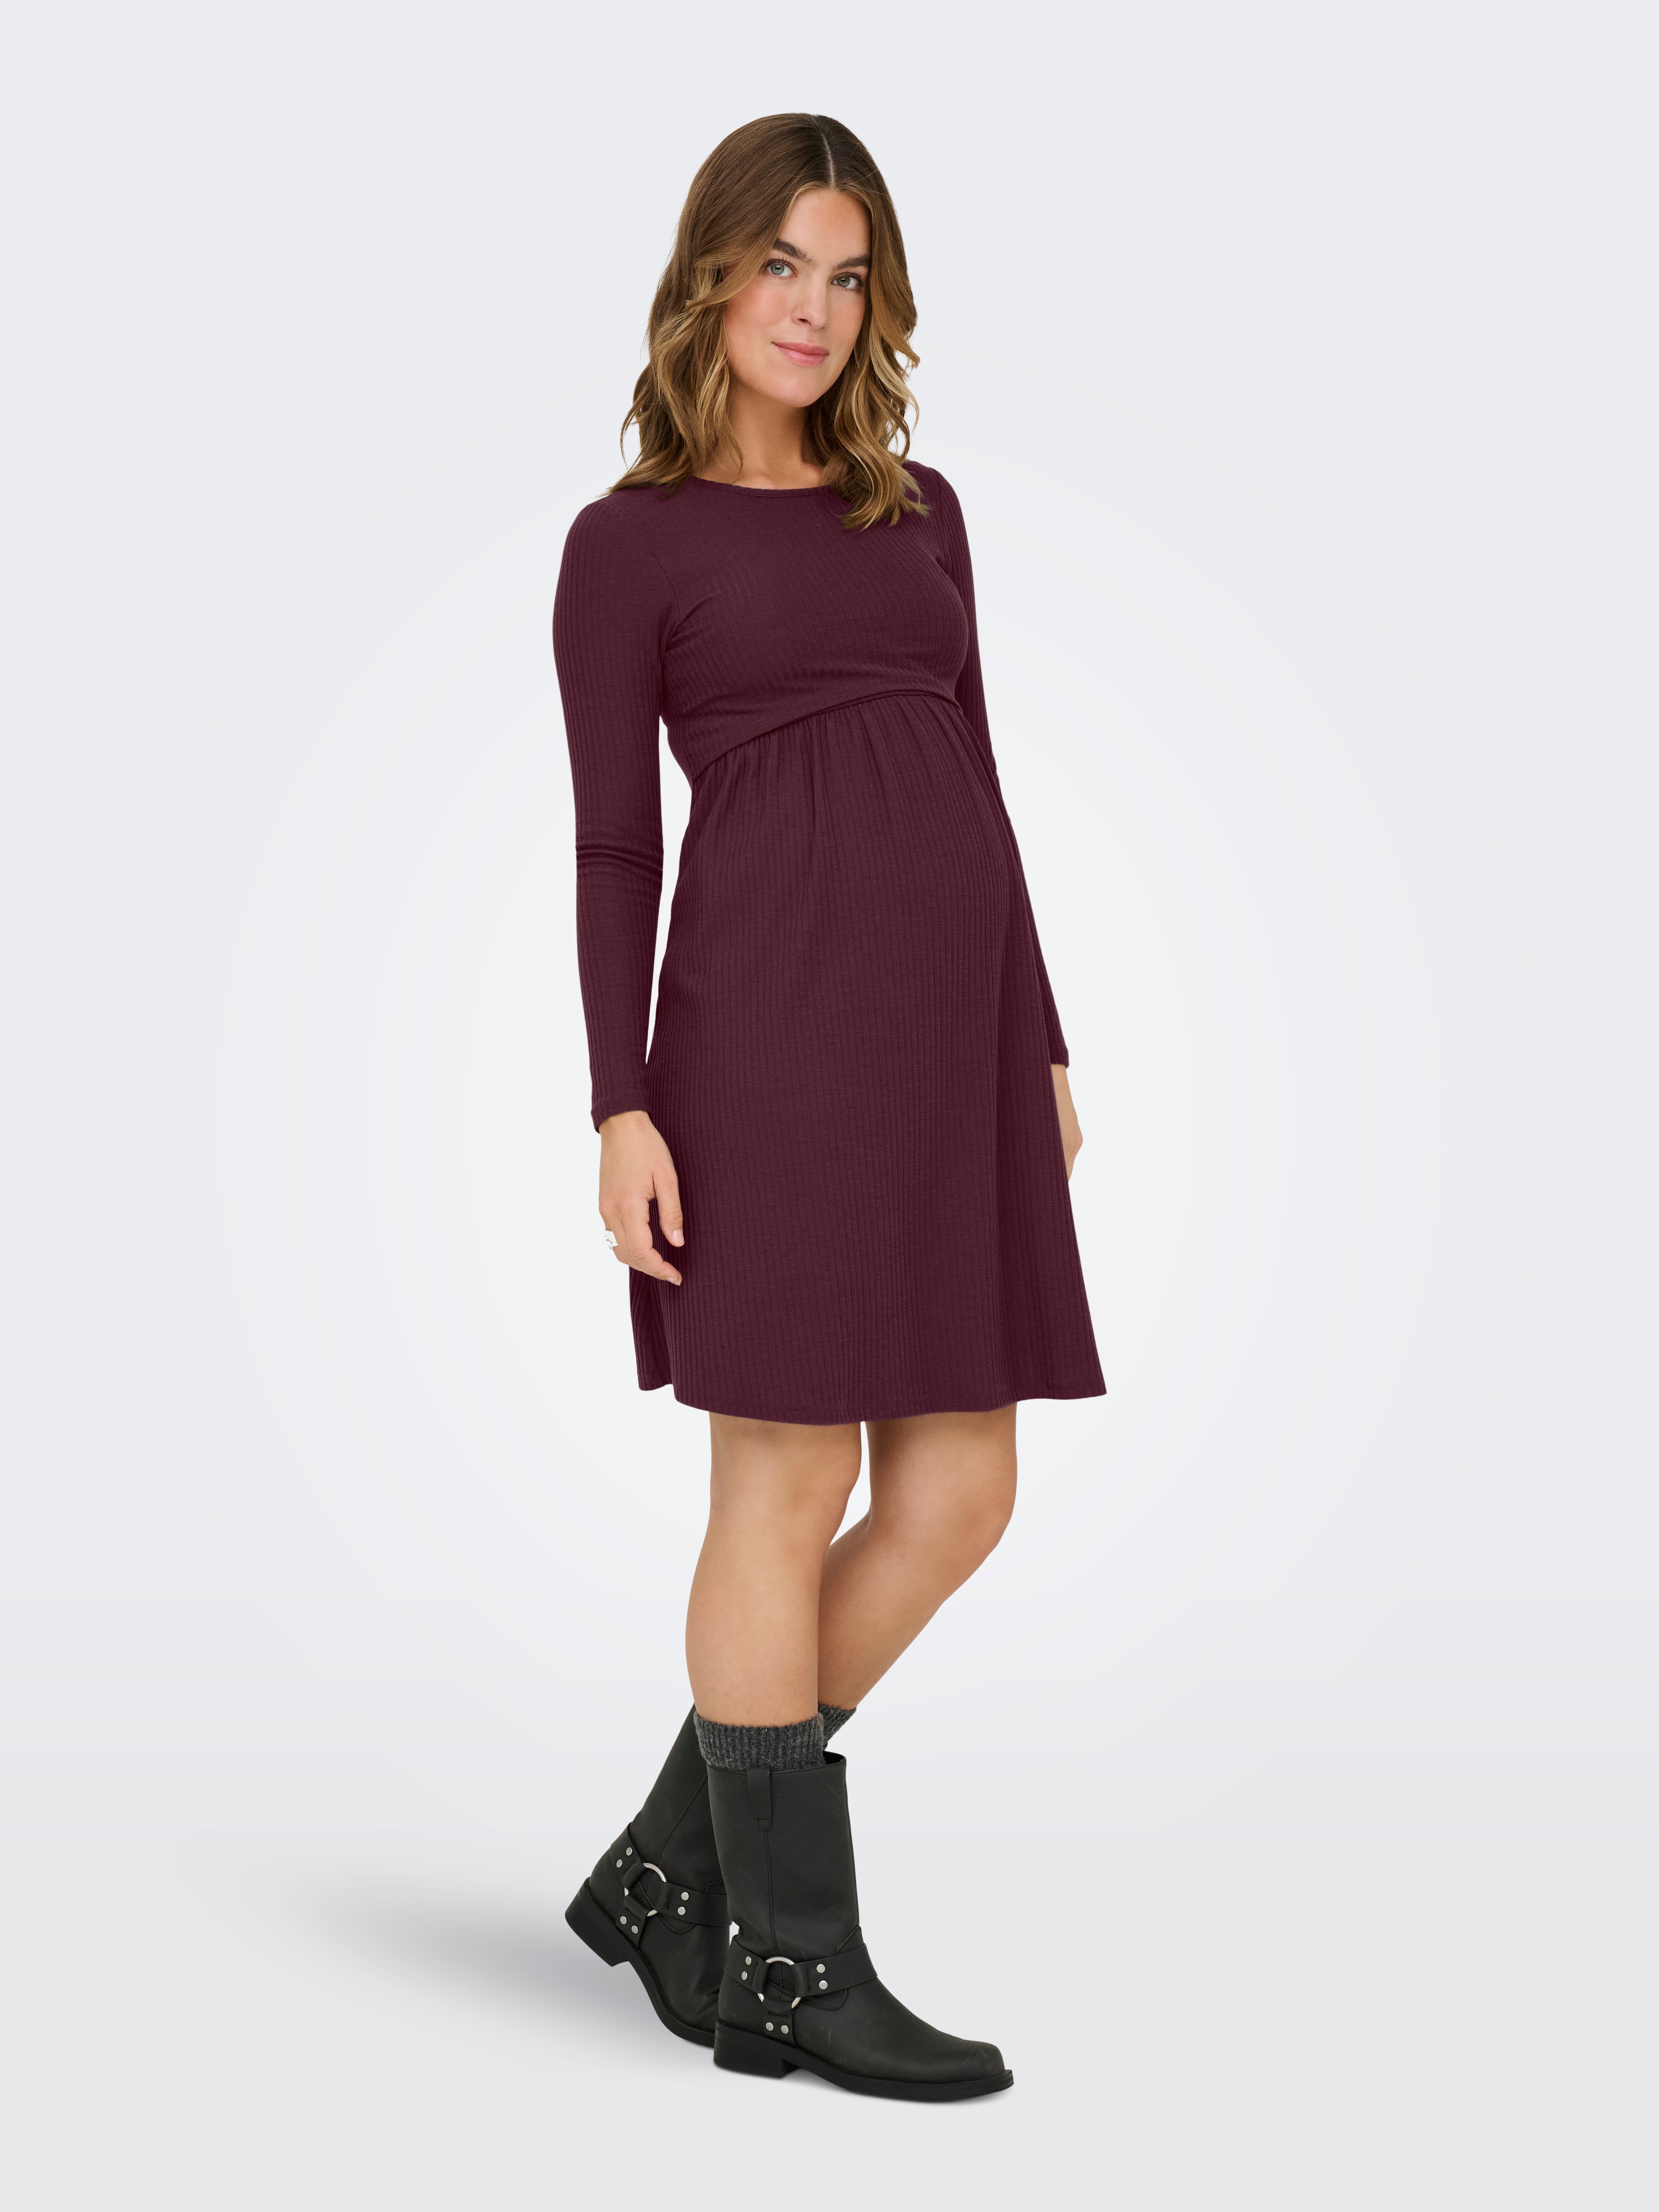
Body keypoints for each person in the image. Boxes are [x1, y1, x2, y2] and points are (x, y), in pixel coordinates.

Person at [551, 112, 1105, 2102]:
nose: (813, 308)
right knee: (779, 1491)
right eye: (780, 265)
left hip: (952, 1048)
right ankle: (790, 1963)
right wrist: (620, 1104)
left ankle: (664, 1872)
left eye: (848, 274)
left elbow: (979, 777)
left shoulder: (918, 507)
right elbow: (614, 844)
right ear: (711, 278)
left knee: (960, 1491)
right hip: (761, 1052)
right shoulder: (629, 544)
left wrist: (1039, 1037)